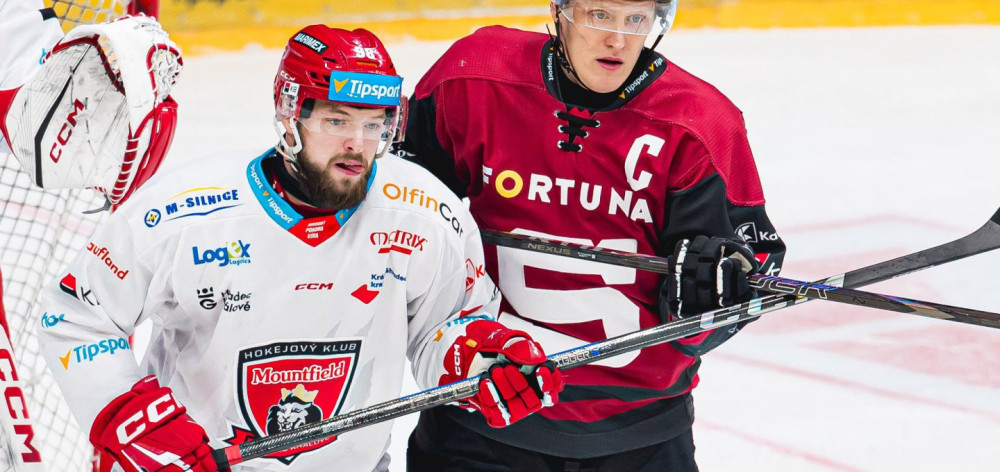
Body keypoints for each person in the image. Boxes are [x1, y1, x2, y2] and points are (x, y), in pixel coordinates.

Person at [35, 24, 563, 472]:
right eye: (337, 121)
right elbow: (78, 314)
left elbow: (447, 328)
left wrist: (479, 361)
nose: (358, 143)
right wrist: (128, 416)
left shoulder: (425, 214)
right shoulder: (183, 211)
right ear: (290, 116)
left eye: (374, 124)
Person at [398, 0, 787, 470]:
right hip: (479, 415)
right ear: (559, 10)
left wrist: (714, 301)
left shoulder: (700, 124)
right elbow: (401, 214)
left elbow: (754, 268)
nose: (618, 40)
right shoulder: (473, 78)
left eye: (636, 19)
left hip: (640, 436)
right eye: (599, 15)